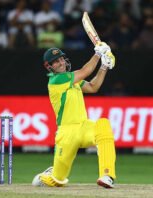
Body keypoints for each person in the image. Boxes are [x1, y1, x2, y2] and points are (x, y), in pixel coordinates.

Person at [32, 42, 116, 188]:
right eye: (56, 62)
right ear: (49, 66)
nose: (60, 63)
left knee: (103, 125)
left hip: (84, 127)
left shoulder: (73, 80)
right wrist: (98, 54)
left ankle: (107, 175)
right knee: (57, 180)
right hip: (66, 133)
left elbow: (92, 87)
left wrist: (104, 66)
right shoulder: (56, 80)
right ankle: (47, 175)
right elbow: (85, 71)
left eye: (61, 59)